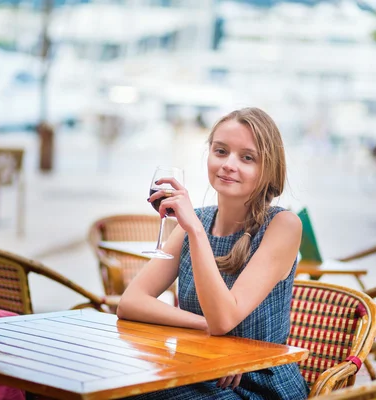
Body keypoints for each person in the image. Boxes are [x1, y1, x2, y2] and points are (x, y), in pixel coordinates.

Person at [117, 107, 309, 399]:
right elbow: (130, 303)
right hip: (199, 369)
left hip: (256, 383)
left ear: (268, 168)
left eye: (247, 157)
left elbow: (224, 318)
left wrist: (195, 231)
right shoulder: (196, 221)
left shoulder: (282, 225)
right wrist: (205, 329)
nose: (229, 164)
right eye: (221, 151)